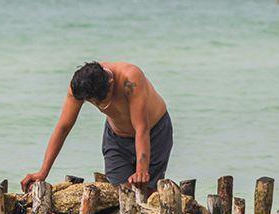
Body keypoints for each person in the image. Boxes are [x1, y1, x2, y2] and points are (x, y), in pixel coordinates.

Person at [20, 61, 173, 193]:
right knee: (120, 192)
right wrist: (43, 172)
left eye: (100, 100)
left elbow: (141, 128)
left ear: (111, 83)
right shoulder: (80, 87)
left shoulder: (130, 79)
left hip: (155, 132)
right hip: (116, 137)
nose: (98, 105)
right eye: (92, 102)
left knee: (149, 190)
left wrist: (141, 170)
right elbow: (63, 127)